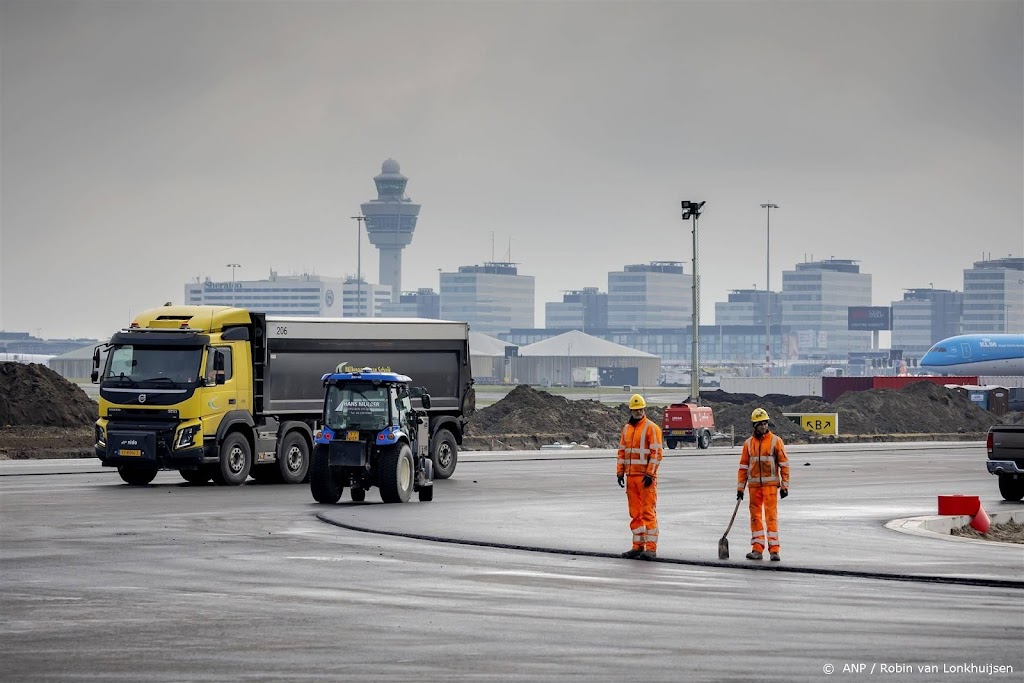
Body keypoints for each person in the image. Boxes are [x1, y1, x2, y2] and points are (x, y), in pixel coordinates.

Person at [736, 407, 790, 561]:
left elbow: (784, 465)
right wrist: (740, 489)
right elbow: (743, 467)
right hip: (754, 488)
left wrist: (785, 486)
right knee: (755, 517)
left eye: (765, 423)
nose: (764, 426)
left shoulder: (776, 441)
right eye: (760, 424)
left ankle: (774, 551)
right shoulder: (748, 444)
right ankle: (757, 549)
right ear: (755, 426)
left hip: (770, 487)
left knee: (771, 516)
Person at [616, 393, 664, 560]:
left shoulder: (652, 428)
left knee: (647, 512)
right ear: (631, 410)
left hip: (645, 478)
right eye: (635, 410)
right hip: (631, 477)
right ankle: (638, 546)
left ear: (644, 409)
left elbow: (656, 453)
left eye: (640, 409)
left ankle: (651, 548)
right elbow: (622, 452)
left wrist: (650, 473)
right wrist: (620, 472)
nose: (638, 412)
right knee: (635, 513)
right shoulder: (627, 429)